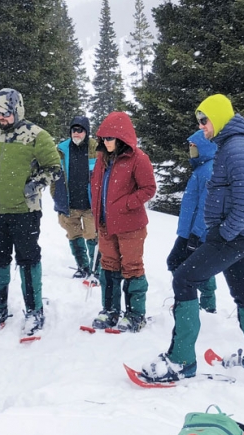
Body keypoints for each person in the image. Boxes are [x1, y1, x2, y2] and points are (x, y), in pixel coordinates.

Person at [142, 94, 244, 381]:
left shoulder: (237, 149)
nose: (201, 127)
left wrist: (222, 233)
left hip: (234, 236)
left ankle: (180, 361)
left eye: (205, 120)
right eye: (199, 122)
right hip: (241, 235)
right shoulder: (231, 145)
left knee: (184, 278)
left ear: (220, 117)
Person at [0, 88, 62, 336]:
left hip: (24, 211)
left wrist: (33, 186)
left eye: (6, 114)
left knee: (28, 259)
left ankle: (34, 310)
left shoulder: (36, 135)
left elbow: (54, 168)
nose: (1, 118)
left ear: (17, 110)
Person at [89, 111, 157, 332]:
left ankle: (135, 314)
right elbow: (98, 187)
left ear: (121, 138)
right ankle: (110, 310)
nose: (105, 142)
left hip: (131, 226)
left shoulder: (138, 158)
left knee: (132, 268)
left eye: (109, 138)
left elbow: (149, 189)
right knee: (108, 267)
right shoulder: (101, 159)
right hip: (106, 224)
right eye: (103, 138)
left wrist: (126, 204)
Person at [166, 130, 218, 313]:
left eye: (194, 146)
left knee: (179, 263)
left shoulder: (209, 170)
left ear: (204, 146)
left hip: (196, 233)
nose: (190, 149)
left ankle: (198, 304)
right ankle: (196, 303)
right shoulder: (202, 168)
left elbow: (207, 206)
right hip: (188, 231)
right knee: (186, 264)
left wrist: (196, 233)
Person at [53, 116, 100, 280]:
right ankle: (83, 267)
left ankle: (96, 269)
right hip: (68, 204)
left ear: (86, 131)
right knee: (73, 235)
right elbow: (55, 176)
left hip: (90, 204)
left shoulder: (97, 148)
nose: (76, 133)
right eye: (74, 130)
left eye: (80, 130)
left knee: (93, 235)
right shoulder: (61, 149)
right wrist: (56, 197)